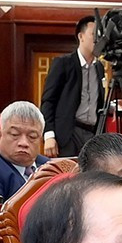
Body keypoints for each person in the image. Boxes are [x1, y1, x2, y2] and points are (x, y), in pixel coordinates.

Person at [39, 16, 106, 159]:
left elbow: (97, 100)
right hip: (68, 133)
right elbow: (48, 101)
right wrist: (49, 135)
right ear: (81, 36)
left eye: (100, 35)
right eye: (94, 34)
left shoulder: (99, 67)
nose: (98, 39)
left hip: (93, 134)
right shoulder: (63, 63)